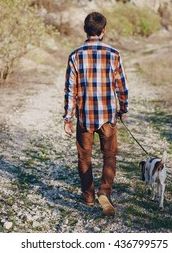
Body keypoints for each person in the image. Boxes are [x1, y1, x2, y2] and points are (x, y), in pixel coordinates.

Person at [63, 12, 129, 216]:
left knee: (84, 157)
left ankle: (88, 196)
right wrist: (123, 109)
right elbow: (122, 87)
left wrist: (68, 117)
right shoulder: (113, 54)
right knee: (109, 154)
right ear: (104, 30)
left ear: (85, 29)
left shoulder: (75, 55)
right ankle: (105, 192)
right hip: (108, 116)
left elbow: (70, 89)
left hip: (84, 116)